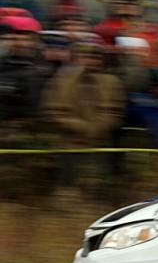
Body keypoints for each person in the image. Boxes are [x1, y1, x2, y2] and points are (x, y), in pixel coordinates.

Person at [41, 38, 125, 198]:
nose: (90, 61)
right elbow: (52, 111)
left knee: (99, 187)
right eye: (85, 56)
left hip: (101, 143)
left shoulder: (111, 82)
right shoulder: (61, 81)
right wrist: (79, 126)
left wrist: (98, 127)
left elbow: (115, 112)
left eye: (95, 57)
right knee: (67, 188)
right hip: (69, 144)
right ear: (77, 58)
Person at [0, 16, 44, 144]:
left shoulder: (28, 71)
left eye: (9, 39)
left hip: (11, 137)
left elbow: (30, 111)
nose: (5, 43)